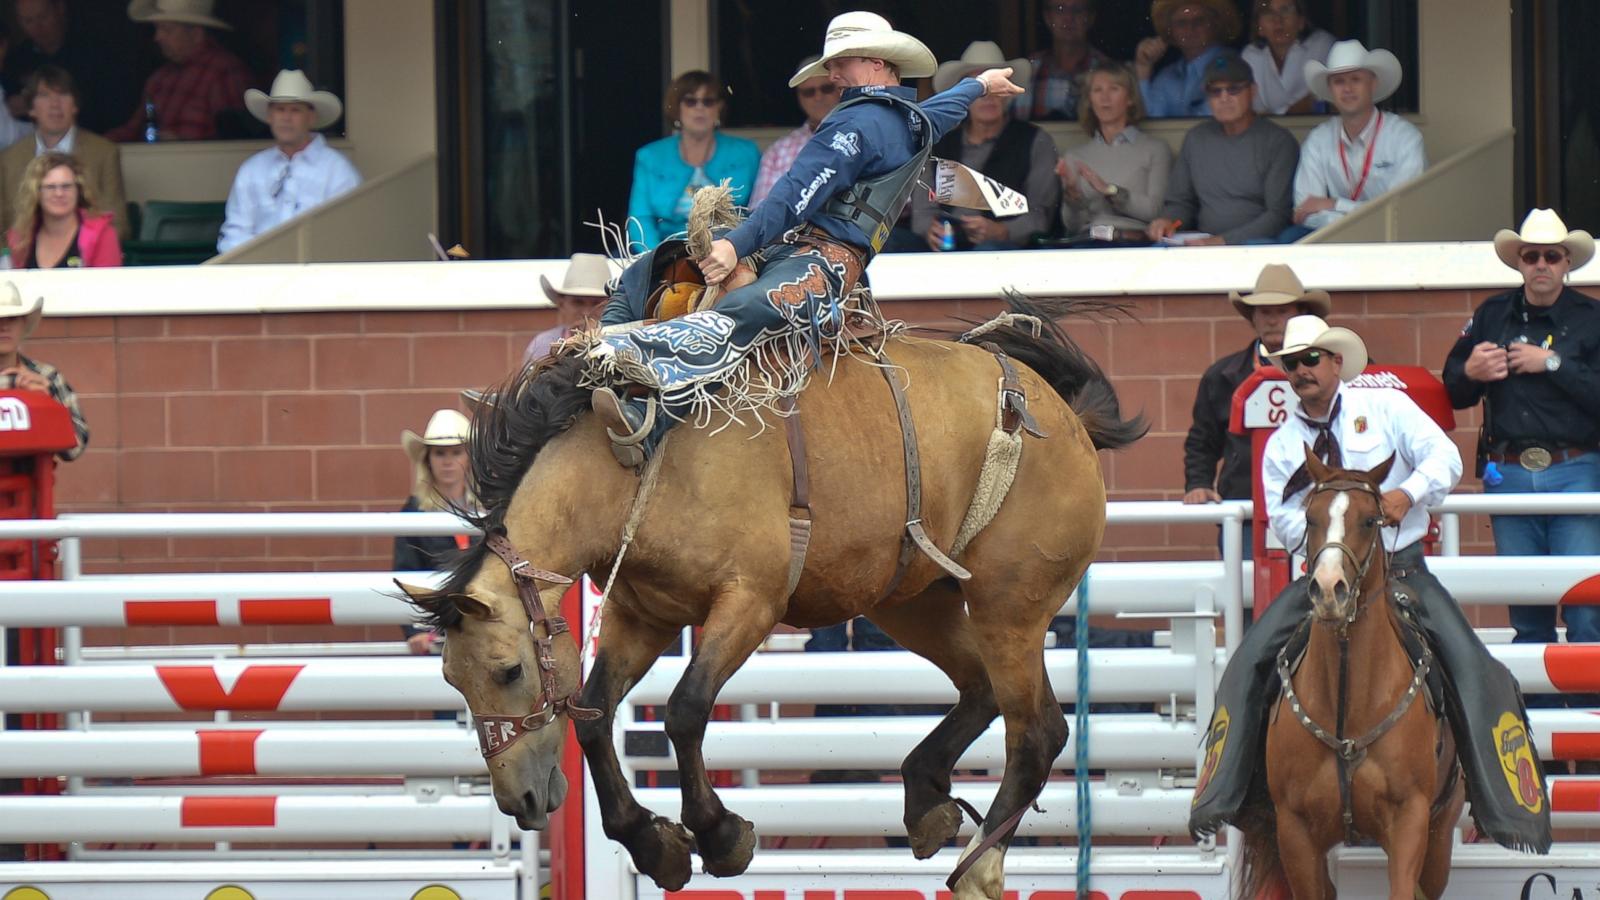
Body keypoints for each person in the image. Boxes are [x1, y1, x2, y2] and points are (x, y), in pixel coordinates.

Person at [590, 12, 1022, 466]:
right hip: (806, 251)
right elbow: (945, 109)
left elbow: (795, 194)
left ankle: (644, 406)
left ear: (876, 63)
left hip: (823, 262)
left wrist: (736, 245)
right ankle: (611, 348)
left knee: (743, 309)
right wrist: (979, 85)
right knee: (675, 254)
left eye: (841, 64)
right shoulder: (910, 121)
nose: (832, 75)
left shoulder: (854, 126)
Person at [1189, 314, 1552, 855]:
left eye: (1312, 358)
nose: (1301, 370)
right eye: (1292, 362)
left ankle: (1500, 803)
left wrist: (1407, 495)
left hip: (1401, 571)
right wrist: (1334, 518)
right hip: (1326, 574)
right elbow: (1286, 525)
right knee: (1246, 666)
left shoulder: (1384, 408)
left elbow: (1444, 457)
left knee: (1480, 670)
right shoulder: (1284, 443)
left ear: (1337, 362)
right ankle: (1238, 800)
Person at [1443, 209, 1600, 720]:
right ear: (1519, 261)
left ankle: (1588, 735)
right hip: (1508, 473)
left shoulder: (1592, 318)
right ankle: (1538, 740)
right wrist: (1470, 369)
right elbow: (1452, 387)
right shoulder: (1492, 314)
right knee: (1526, 611)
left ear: (1566, 262)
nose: (1540, 265)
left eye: (1551, 256)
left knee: (1585, 611)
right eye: (1531, 256)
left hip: (1576, 469)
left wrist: (1549, 363)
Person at [1183, 263, 1329, 557]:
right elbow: (1202, 440)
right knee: (1248, 595)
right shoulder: (1222, 375)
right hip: (1247, 508)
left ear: (1301, 315)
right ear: (1253, 318)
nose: (1273, 320)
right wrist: (1198, 483)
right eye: (1265, 312)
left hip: (1327, 507)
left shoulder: (1339, 369)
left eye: (1282, 311)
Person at [910, 41, 1059, 252]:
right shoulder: (940, 142)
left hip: (1006, 249)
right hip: (944, 245)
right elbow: (922, 211)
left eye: (994, 87)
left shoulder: (1035, 140)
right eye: (978, 88)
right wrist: (930, 230)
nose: (987, 97)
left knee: (988, 250)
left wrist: (1003, 231)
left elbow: (1040, 214)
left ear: (1008, 92)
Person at [1146, 52, 1298, 245]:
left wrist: (1223, 241)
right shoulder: (1196, 138)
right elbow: (1181, 203)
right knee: (1157, 250)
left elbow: (1278, 215)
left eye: (1233, 89)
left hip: (1255, 243)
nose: (1224, 98)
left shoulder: (1277, 141)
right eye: (1215, 91)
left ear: (1253, 91)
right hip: (1202, 241)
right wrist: (1168, 221)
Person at [1284, 40, 1425, 241]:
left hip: (1392, 240)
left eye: (1356, 79)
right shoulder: (1318, 139)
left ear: (1373, 84)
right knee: (1289, 239)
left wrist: (1334, 205)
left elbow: (1400, 211)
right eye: (1339, 81)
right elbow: (1305, 210)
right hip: (1332, 239)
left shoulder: (1405, 138)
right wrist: (1346, 220)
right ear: (1330, 89)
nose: (1347, 88)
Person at [217, 70, 361, 253]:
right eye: (280, 109)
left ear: (311, 117)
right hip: (259, 273)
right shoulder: (252, 170)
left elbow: (346, 234)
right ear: (270, 117)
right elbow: (235, 233)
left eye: (295, 110)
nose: (286, 118)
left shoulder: (337, 171)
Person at [626, 70, 761, 250]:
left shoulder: (746, 152)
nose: (700, 108)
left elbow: (759, 211)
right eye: (690, 101)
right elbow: (640, 219)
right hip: (668, 251)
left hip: (731, 250)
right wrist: (654, 260)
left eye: (708, 101)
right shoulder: (650, 156)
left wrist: (739, 251)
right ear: (676, 107)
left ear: (719, 107)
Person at [0, 66, 127, 240]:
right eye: (44, 95)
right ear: (31, 108)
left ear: (75, 105)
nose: (55, 104)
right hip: (23, 261)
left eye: (63, 94)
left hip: (84, 260)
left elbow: (118, 225)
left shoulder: (103, 153)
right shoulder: (9, 159)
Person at [105, 0, 254, 143]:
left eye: (167, 30)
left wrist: (184, 144)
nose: (158, 37)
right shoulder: (159, 78)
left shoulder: (224, 71)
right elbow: (134, 129)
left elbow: (235, 140)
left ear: (196, 34)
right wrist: (95, 144)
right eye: (157, 29)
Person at [1057, 61, 1172, 242]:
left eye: (1114, 89)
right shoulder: (1075, 156)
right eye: (1097, 90)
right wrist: (1072, 198)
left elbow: (1155, 212)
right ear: (1090, 101)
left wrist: (1110, 191)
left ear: (1130, 98)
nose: (1105, 98)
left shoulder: (1155, 149)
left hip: (1135, 244)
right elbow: (1073, 225)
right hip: (1088, 246)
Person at [394, 408, 474, 655]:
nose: (448, 461)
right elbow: (405, 571)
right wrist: (414, 631)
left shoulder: (489, 507)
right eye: (440, 453)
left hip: (485, 621)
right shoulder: (413, 512)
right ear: (428, 459)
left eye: (456, 452)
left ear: (469, 457)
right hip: (437, 628)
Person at [0, 280, 87, 459]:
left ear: (23, 324)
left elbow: (75, 447)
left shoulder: (47, 377)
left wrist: (48, 403)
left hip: (31, 480)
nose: (4, 327)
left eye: (12, 318)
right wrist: (15, 385)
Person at [750, 56, 840, 206]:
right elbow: (760, 210)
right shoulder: (778, 151)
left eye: (826, 89)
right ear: (799, 97)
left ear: (840, 89)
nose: (818, 97)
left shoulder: (860, 137)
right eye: (809, 92)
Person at [5, 151, 120, 268]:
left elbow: (108, 285)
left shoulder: (103, 234)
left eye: (66, 186)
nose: (59, 193)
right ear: (37, 193)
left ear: (79, 190)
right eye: (50, 187)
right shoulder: (21, 238)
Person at [1136, 0, 1241, 118]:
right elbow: (1149, 120)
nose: (1190, 28)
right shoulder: (1167, 76)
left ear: (1215, 24)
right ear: (1170, 31)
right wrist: (1143, 67)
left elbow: (1210, 124)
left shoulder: (1231, 64)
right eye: (1181, 23)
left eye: (1199, 21)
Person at [1013, 0, 1113, 122]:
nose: (1068, 17)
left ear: (1091, 17)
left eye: (1078, 10)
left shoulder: (1107, 70)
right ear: (1047, 17)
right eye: (1060, 9)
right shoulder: (1028, 70)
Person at [1240, 0, 1335, 115]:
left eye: (1285, 11)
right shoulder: (1250, 56)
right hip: (1268, 131)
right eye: (1268, 13)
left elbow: (1324, 97)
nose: (1277, 20)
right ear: (1259, 27)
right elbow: (1254, 112)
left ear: (1301, 21)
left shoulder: (1322, 45)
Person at [525, 252, 613, 362]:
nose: (586, 312)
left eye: (596, 303)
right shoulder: (541, 346)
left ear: (610, 306)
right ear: (562, 305)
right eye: (578, 302)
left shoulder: (623, 347)